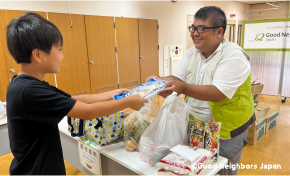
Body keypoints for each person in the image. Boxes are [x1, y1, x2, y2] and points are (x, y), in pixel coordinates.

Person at [6, 12, 148, 175]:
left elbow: (74, 99)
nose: (62, 56)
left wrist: (113, 94)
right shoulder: (29, 91)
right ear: (38, 55)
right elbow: (88, 112)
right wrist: (127, 102)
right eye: (59, 50)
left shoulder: (24, 84)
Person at [146, 6, 255, 175]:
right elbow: (178, 78)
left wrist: (183, 88)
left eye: (201, 29)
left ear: (219, 32)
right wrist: (160, 81)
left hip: (227, 129)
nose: (194, 33)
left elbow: (218, 93)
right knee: (199, 167)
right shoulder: (193, 53)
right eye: (193, 28)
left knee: (222, 168)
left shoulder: (233, 55)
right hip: (197, 125)